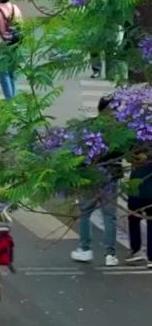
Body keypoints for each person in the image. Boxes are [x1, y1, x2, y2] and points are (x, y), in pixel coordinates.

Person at [71, 96, 122, 267]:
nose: (115, 112)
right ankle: (110, 254)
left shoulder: (88, 126)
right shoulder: (119, 128)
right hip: (111, 176)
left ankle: (85, 248)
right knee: (109, 216)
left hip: (92, 176)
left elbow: (79, 153)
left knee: (85, 212)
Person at [0, 0, 23, 99]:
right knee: (12, 72)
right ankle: (14, 97)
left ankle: (9, 99)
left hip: (2, 45)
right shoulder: (16, 8)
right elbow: (21, 26)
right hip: (15, 44)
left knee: (3, 73)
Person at [126, 148, 152, 267]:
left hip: (135, 192)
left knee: (133, 220)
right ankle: (151, 257)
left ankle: (136, 250)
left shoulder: (136, 142)